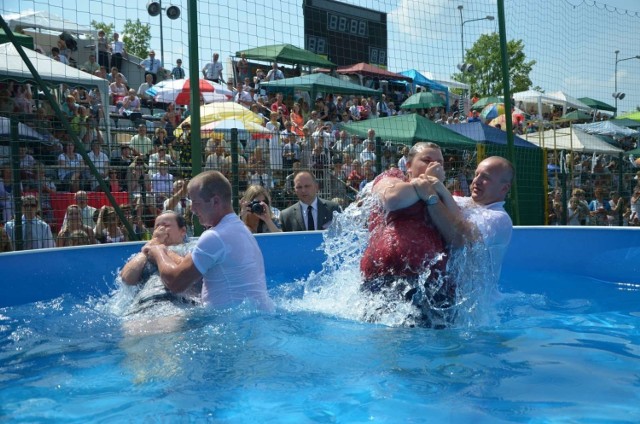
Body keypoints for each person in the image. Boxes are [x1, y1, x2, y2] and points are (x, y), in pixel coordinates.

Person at [143, 171, 274, 310]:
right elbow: (190, 266)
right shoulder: (239, 229)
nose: (192, 209)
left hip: (229, 325)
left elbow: (176, 283)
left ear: (215, 201)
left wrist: (158, 250)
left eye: (196, 202)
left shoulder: (215, 236)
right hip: (252, 316)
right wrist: (168, 253)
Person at [359, 142, 451, 327]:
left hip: (432, 281)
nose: (434, 166)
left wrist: (437, 191)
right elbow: (392, 200)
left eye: (439, 162)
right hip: (386, 276)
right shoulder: (392, 178)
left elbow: (457, 231)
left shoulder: (440, 193)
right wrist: (426, 182)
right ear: (408, 165)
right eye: (427, 160)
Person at [419, 155, 514, 283]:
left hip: (480, 302)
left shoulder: (500, 219)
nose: (476, 180)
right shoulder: (463, 202)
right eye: (476, 174)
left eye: (485, 177)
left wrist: (436, 191)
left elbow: (461, 236)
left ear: (504, 188)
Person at [119, 211, 200, 314]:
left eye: (166, 225)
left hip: (176, 303)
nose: (160, 229)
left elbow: (188, 270)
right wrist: (151, 246)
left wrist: (160, 251)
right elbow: (127, 279)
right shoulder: (146, 252)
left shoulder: (191, 248)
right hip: (141, 305)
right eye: (157, 226)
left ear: (183, 231)